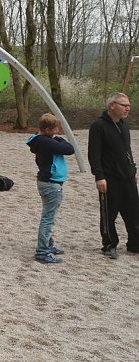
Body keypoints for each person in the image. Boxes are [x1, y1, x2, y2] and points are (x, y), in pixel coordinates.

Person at [87, 92, 139, 259]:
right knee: (109, 214)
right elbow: (94, 153)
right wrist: (99, 176)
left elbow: (126, 151)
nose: (127, 108)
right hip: (109, 178)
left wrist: (133, 170)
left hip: (128, 177)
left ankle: (134, 244)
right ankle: (109, 244)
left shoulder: (124, 125)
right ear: (112, 106)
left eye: (128, 105)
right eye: (124, 105)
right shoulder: (98, 126)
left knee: (134, 212)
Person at [26, 113, 75, 264]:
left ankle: (48, 244)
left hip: (47, 182)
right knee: (48, 218)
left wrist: (56, 138)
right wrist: (58, 139)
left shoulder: (42, 140)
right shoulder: (47, 142)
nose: (58, 131)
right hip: (51, 184)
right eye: (56, 128)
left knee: (48, 216)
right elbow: (69, 149)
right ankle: (42, 252)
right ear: (47, 129)